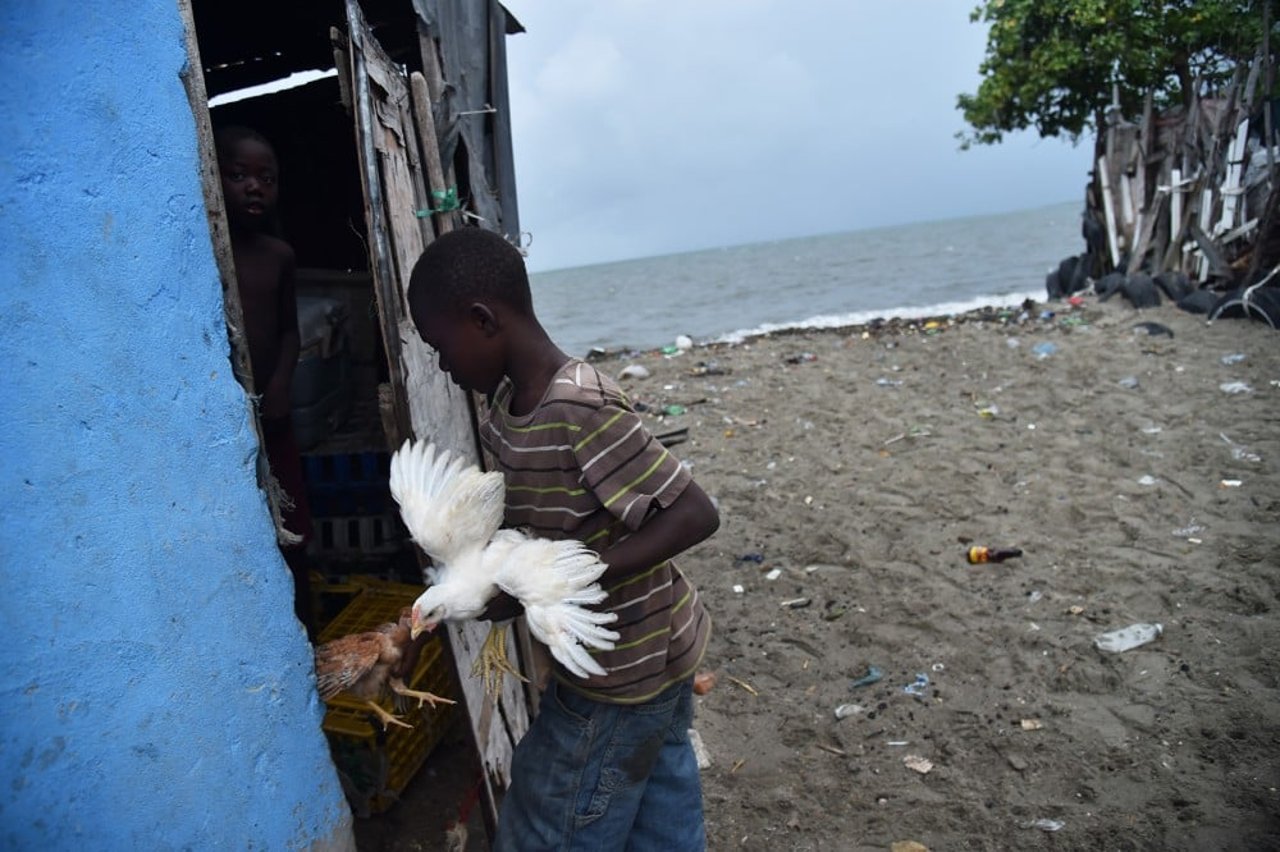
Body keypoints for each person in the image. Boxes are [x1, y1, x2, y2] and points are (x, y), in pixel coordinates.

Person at [406, 227, 720, 851]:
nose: (442, 367)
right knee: (662, 813)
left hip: (617, 673)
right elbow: (539, 528)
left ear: (483, 320)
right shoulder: (504, 407)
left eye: (442, 347)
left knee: (550, 821)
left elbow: (694, 513)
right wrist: (509, 587)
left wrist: (577, 574)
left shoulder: (581, 410)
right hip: (648, 655)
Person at [215, 126, 314, 637]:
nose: (254, 186)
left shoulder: (279, 255)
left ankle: (303, 621)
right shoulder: (211, 256)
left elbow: (290, 333)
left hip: (273, 417)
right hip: (226, 419)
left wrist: (278, 389)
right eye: (238, 175)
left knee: (292, 520)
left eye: (266, 178)